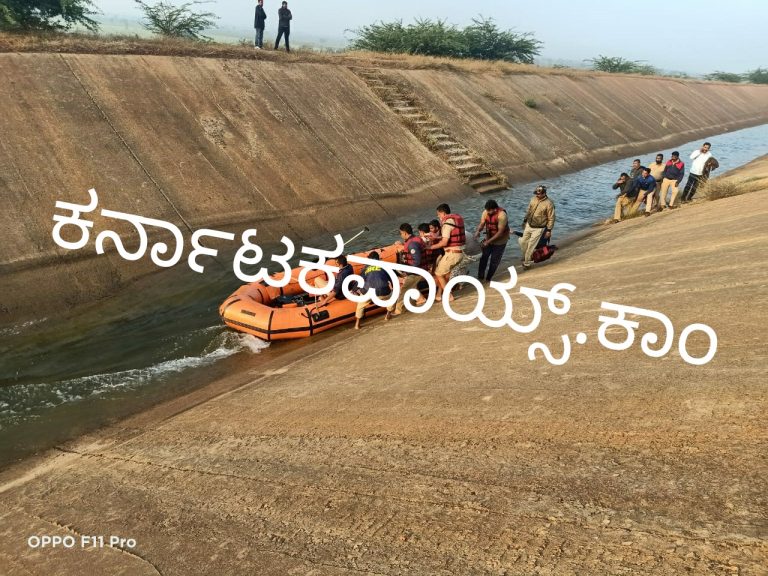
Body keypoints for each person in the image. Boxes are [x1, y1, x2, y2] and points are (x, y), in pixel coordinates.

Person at [386, 224, 428, 319]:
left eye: (401, 233)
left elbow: (417, 262)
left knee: (404, 289)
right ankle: (421, 299)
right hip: (415, 270)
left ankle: (398, 310)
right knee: (409, 284)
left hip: (417, 272)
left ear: (405, 233)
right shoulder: (412, 240)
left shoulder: (413, 244)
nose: (401, 235)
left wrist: (406, 270)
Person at [429, 204, 466, 301]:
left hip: (452, 254)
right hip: (459, 253)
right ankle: (442, 294)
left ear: (443, 213)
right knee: (445, 273)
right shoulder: (454, 220)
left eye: (438, 214)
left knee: (438, 273)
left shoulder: (447, 224)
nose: (438, 216)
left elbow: (444, 242)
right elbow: (449, 236)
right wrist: (436, 238)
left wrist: (430, 247)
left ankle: (448, 295)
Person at [473, 199, 510, 281]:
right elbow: (482, 223)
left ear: (495, 209)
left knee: (494, 261)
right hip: (489, 238)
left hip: (500, 241)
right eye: (487, 210)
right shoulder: (485, 212)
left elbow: (500, 232)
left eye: (489, 210)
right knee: (483, 258)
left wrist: (488, 242)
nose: (488, 212)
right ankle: (480, 277)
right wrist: (478, 231)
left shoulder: (502, 215)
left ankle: (488, 279)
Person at [519, 185, 555, 270]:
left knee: (531, 245)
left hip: (539, 228)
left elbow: (551, 218)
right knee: (523, 242)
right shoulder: (533, 199)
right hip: (529, 225)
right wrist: (524, 220)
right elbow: (529, 210)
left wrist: (549, 230)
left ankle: (527, 263)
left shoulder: (549, 203)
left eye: (538, 194)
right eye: (536, 193)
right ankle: (527, 256)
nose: (537, 195)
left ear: (544, 193)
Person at [354, 252, 392, 329]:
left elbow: (360, 280)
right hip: (382, 291)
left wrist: (355, 290)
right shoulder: (385, 266)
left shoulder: (365, 267)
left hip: (368, 292)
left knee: (360, 305)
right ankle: (388, 315)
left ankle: (357, 324)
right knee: (392, 298)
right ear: (378, 258)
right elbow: (390, 279)